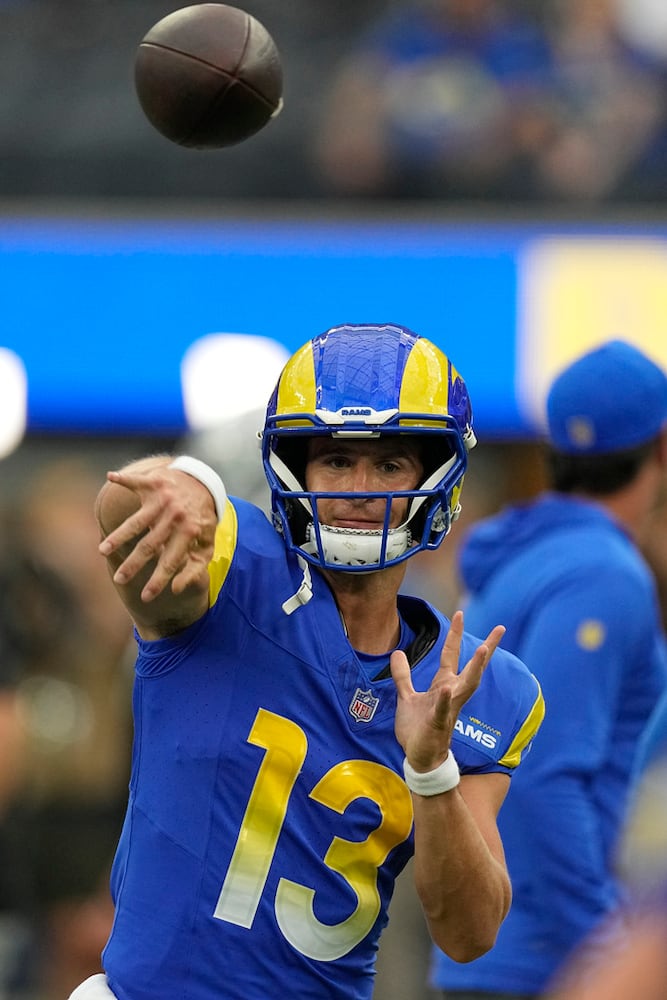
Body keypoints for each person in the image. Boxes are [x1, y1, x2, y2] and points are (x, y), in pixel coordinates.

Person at [69, 322, 544, 1000]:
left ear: (435, 478)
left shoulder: (474, 685)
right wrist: (187, 483)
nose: (360, 488)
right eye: (337, 461)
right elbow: (124, 511)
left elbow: (470, 934)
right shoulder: (233, 574)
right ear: (294, 467)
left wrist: (432, 771)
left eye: (389, 465)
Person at [431, 338, 667, 999]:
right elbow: (545, 774)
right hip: (549, 961)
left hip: (496, 944)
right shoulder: (602, 573)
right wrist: (609, 951)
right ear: (661, 446)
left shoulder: (528, 555)